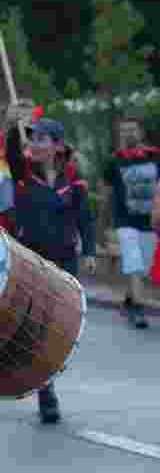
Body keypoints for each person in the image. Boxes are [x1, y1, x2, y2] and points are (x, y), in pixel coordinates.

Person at [2, 104, 96, 424]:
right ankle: (46, 392)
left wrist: (90, 251)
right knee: (39, 327)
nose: (35, 144)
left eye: (42, 139)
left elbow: (85, 217)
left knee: (59, 327)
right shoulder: (23, 173)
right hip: (33, 260)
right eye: (32, 139)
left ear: (57, 145)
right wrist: (12, 126)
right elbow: (13, 152)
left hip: (65, 260)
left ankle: (47, 377)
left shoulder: (74, 179)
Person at [102, 116, 159, 330]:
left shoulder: (155, 156)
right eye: (124, 131)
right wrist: (101, 226)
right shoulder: (113, 160)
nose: (128, 134)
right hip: (124, 220)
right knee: (134, 261)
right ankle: (138, 309)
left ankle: (129, 300)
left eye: (132, 130)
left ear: (141, 132)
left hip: (151, 221)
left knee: (142, 269)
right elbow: (106, 195)